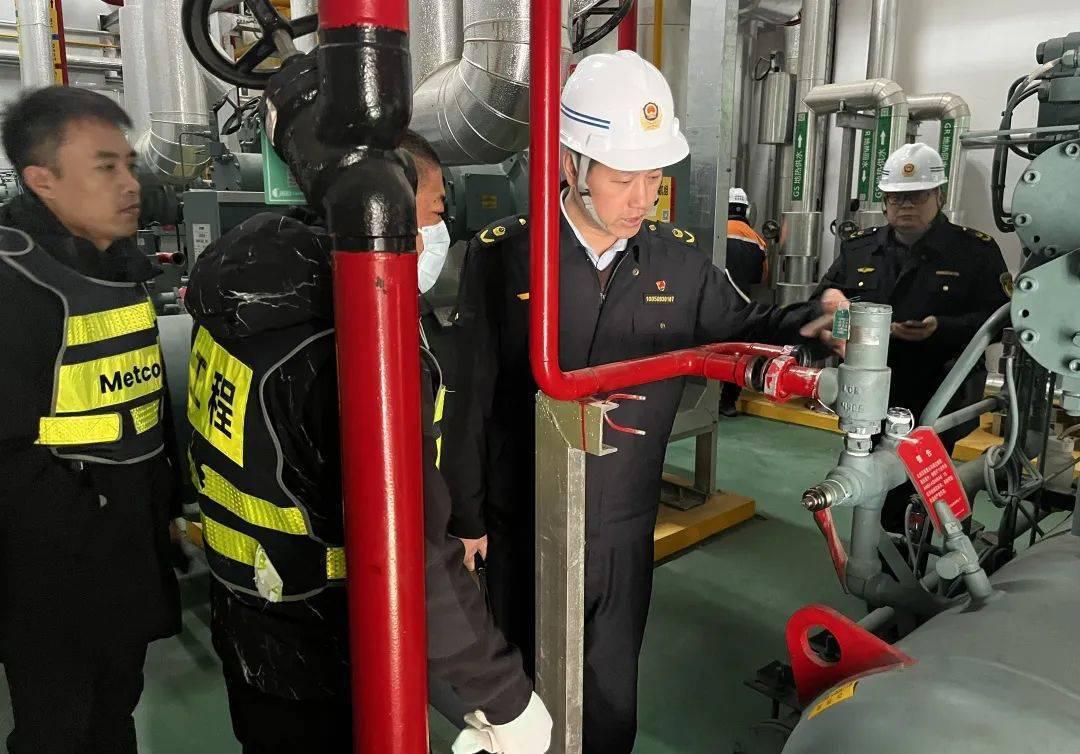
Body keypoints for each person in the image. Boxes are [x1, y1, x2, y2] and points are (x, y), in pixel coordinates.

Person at [441, 50, 846, 754]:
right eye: (623, 178)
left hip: (625, 519)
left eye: (654, 178)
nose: (642, 198)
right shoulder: (507, 256)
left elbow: (745, 328)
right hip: (523, 513)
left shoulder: (678, 263)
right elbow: (471, 394)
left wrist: (810, 321)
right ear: (571, 165)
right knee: (523, 681)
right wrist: (467, 518)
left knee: (609, 683)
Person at [184, 125, 549, 753]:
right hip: (332, 641)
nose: (438, 233)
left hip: (249, 614)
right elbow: (406, 545)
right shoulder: (353, 349)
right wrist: (502, 695)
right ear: (382, 210)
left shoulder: (246, 301)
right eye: (433, 210)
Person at [0, 86, 181, 753]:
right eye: (105, 168)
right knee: (59, 727)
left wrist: (164, 506)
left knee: (114, 709)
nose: (130, 185)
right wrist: (85, 526)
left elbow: (139, 401)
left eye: (128, 164)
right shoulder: (14, 282)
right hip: (51, 564)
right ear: (41, 179)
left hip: (125, 538)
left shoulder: (115, 265)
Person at [813, 142, 1010, 532]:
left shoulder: (974, 251)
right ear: (885, 202)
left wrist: (943, 328)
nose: (905, 205)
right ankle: (879, 547)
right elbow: (823, 304)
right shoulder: (860, 249)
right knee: (868, 474)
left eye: (917, 195)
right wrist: (838, 318)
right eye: (896, 197)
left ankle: (909, 547)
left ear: (939, 196)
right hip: (870, 390)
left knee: (918, 484)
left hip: (941, 388)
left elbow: (1004, 319)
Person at [719, 187, 769, 416]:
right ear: (748, 211)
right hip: (742, 305)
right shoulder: (758, 240)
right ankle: (728, 402)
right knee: (738, 355)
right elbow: (762, 277)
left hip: (712, 303)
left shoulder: (715, 231)